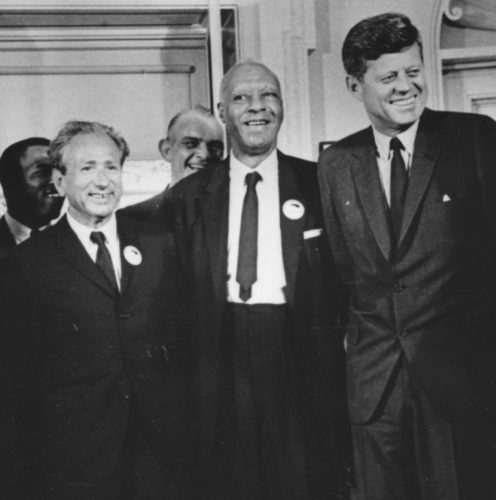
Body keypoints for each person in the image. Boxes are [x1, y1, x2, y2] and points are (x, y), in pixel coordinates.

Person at [318, 12, 496, 500]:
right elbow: (343, 276)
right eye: (389, 76)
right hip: (374, 394)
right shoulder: (336, 164)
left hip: (458, 387)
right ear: (356, 85)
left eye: (413, 71)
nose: (406, 87)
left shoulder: (477, 139)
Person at [171, 60, 349, 499]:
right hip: (220, 350)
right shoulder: (188, 197)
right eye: (241, 97)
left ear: (282, 106)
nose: (257, 107)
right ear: (222, 110)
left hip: (299, 351)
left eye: (268, 95)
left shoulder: (320, 182)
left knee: (303, 480)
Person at [0, 121, 196, 499]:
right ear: (59, 181)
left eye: (111, 167)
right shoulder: (26, 266)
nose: (102, 181)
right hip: (75, 465)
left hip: (160, 461)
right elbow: (17, 382)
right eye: (87, 168)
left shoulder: (162, 246)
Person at [122, 105, 224, 223]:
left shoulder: (239, 216)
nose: (205, 154)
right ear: (167, 150)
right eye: (191, 144)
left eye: (215, 147)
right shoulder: (133, 221)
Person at [0, 137, 63, 260]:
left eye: (60, 172)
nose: (57, 182)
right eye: (43, 172)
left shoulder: (81, 244)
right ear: (10, 183)